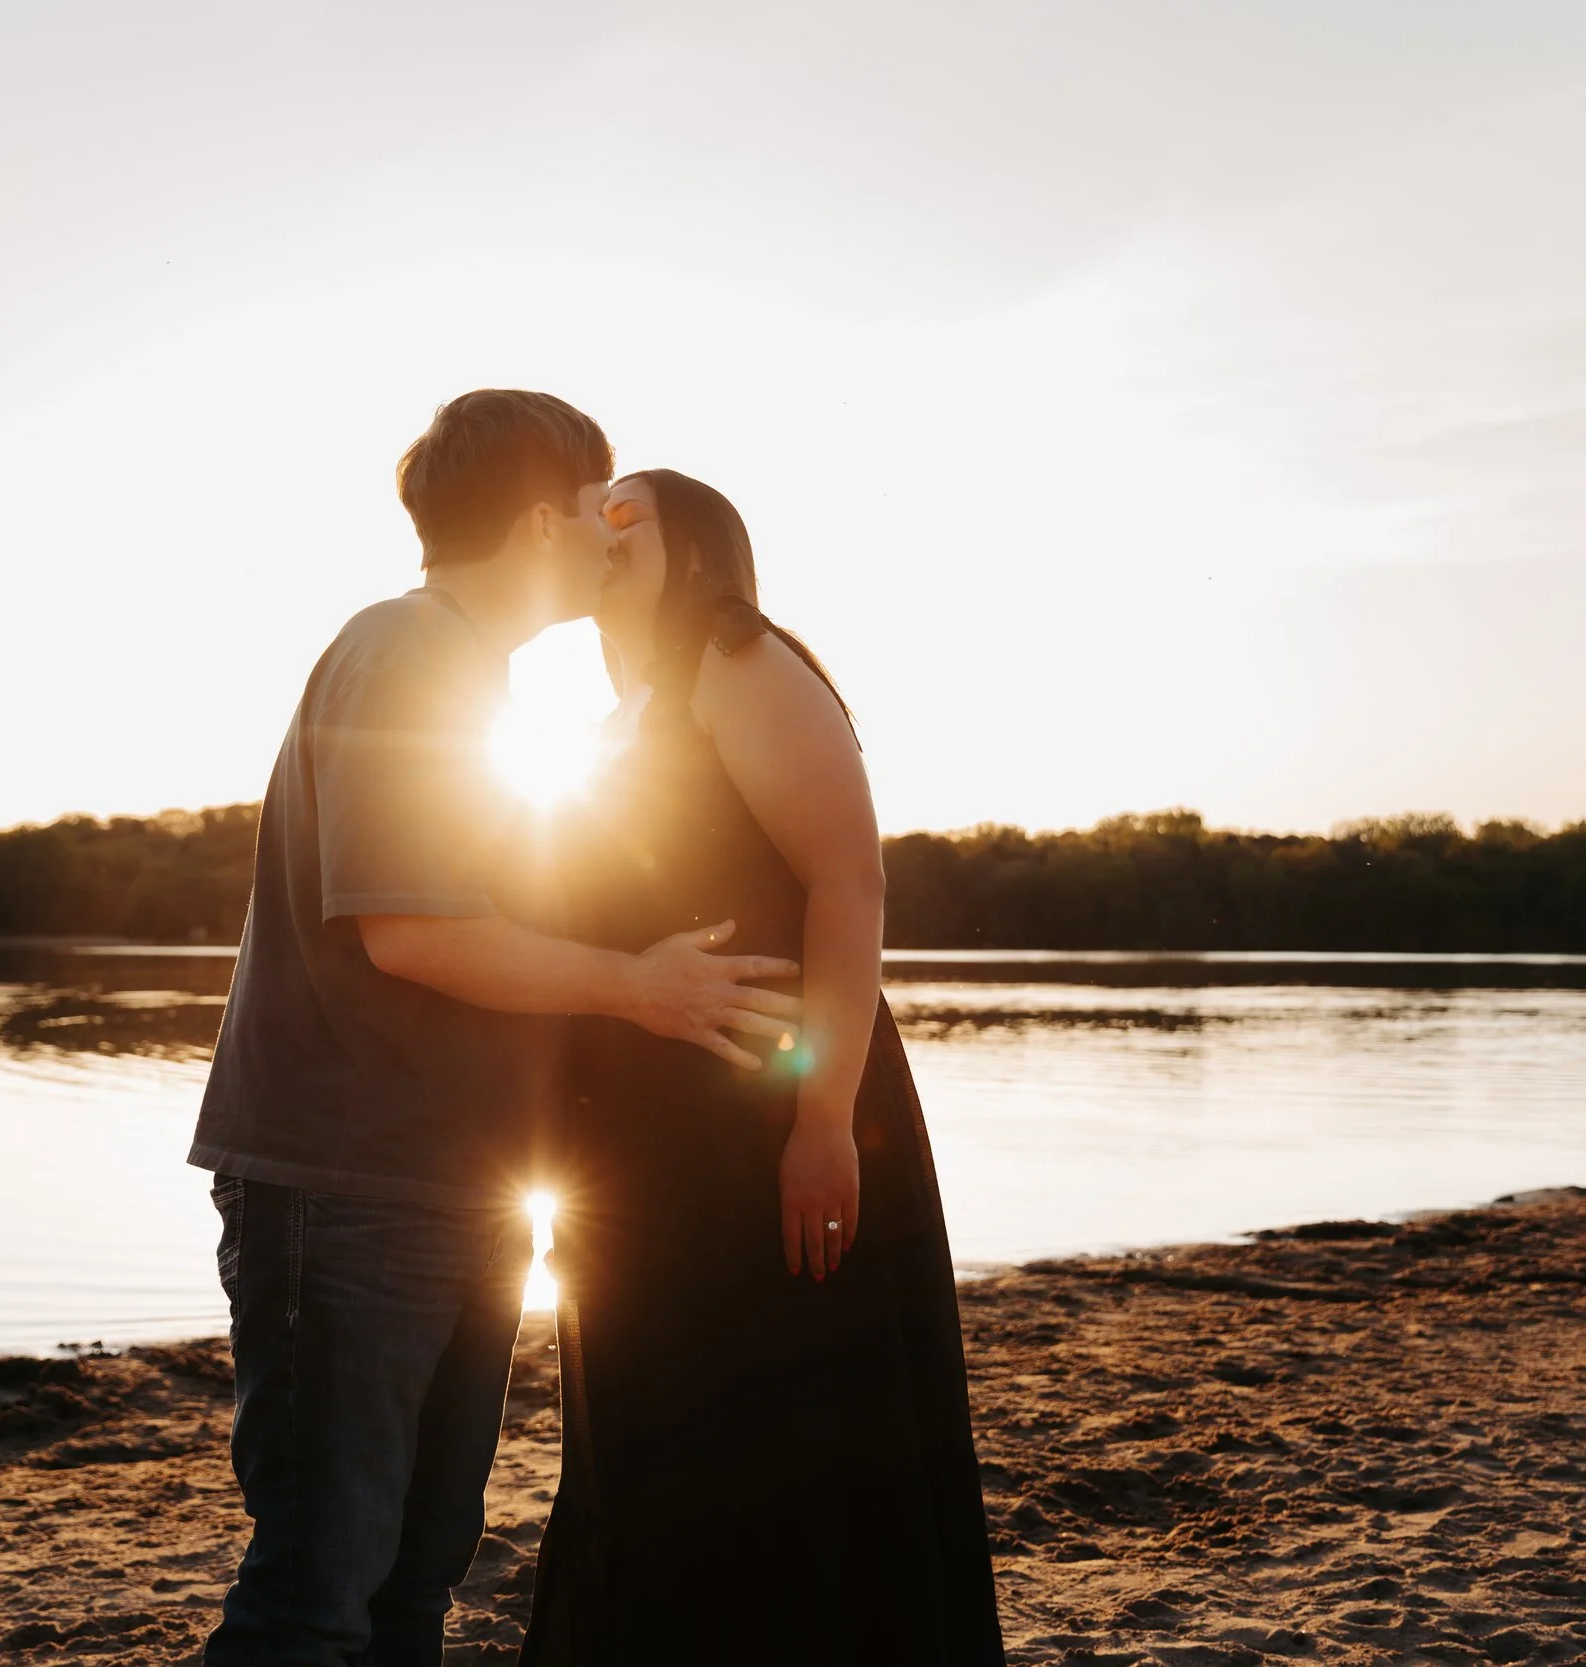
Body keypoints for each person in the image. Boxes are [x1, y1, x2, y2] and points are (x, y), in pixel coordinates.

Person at [188, 393, 806, 1667]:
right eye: (595, 506)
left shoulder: (476, 676)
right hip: (347, 1191)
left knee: (417, 1576)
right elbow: (411, 931)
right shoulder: (408, 652)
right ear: (541, 519)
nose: (610, 526)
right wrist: (642, 986)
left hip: (454, 1185)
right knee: (317, 1590)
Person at [522, 470, 1005, 1663]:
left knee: (782, 1419)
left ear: (698, 551)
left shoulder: (738, 660)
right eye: (598, 511)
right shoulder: (612, 717)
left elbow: (848, 883)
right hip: (644, 1136)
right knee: (657, 1420)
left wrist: (823, 1119)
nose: (605, 525)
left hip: (768, 1110)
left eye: (632, 511)